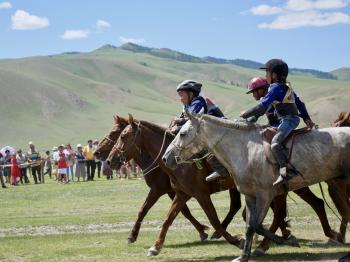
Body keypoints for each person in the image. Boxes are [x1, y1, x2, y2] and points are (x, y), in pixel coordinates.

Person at [240, 59, 316, 186]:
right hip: (289, 119)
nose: (265, 76)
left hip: (289, 120)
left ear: (274, 75)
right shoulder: (287, 88)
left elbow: (262, 107)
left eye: (267, 73)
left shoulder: (274, 88)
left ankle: (286, 170)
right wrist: (307, 119)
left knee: (275, 144)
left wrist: (245, 114)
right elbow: (300, 104)